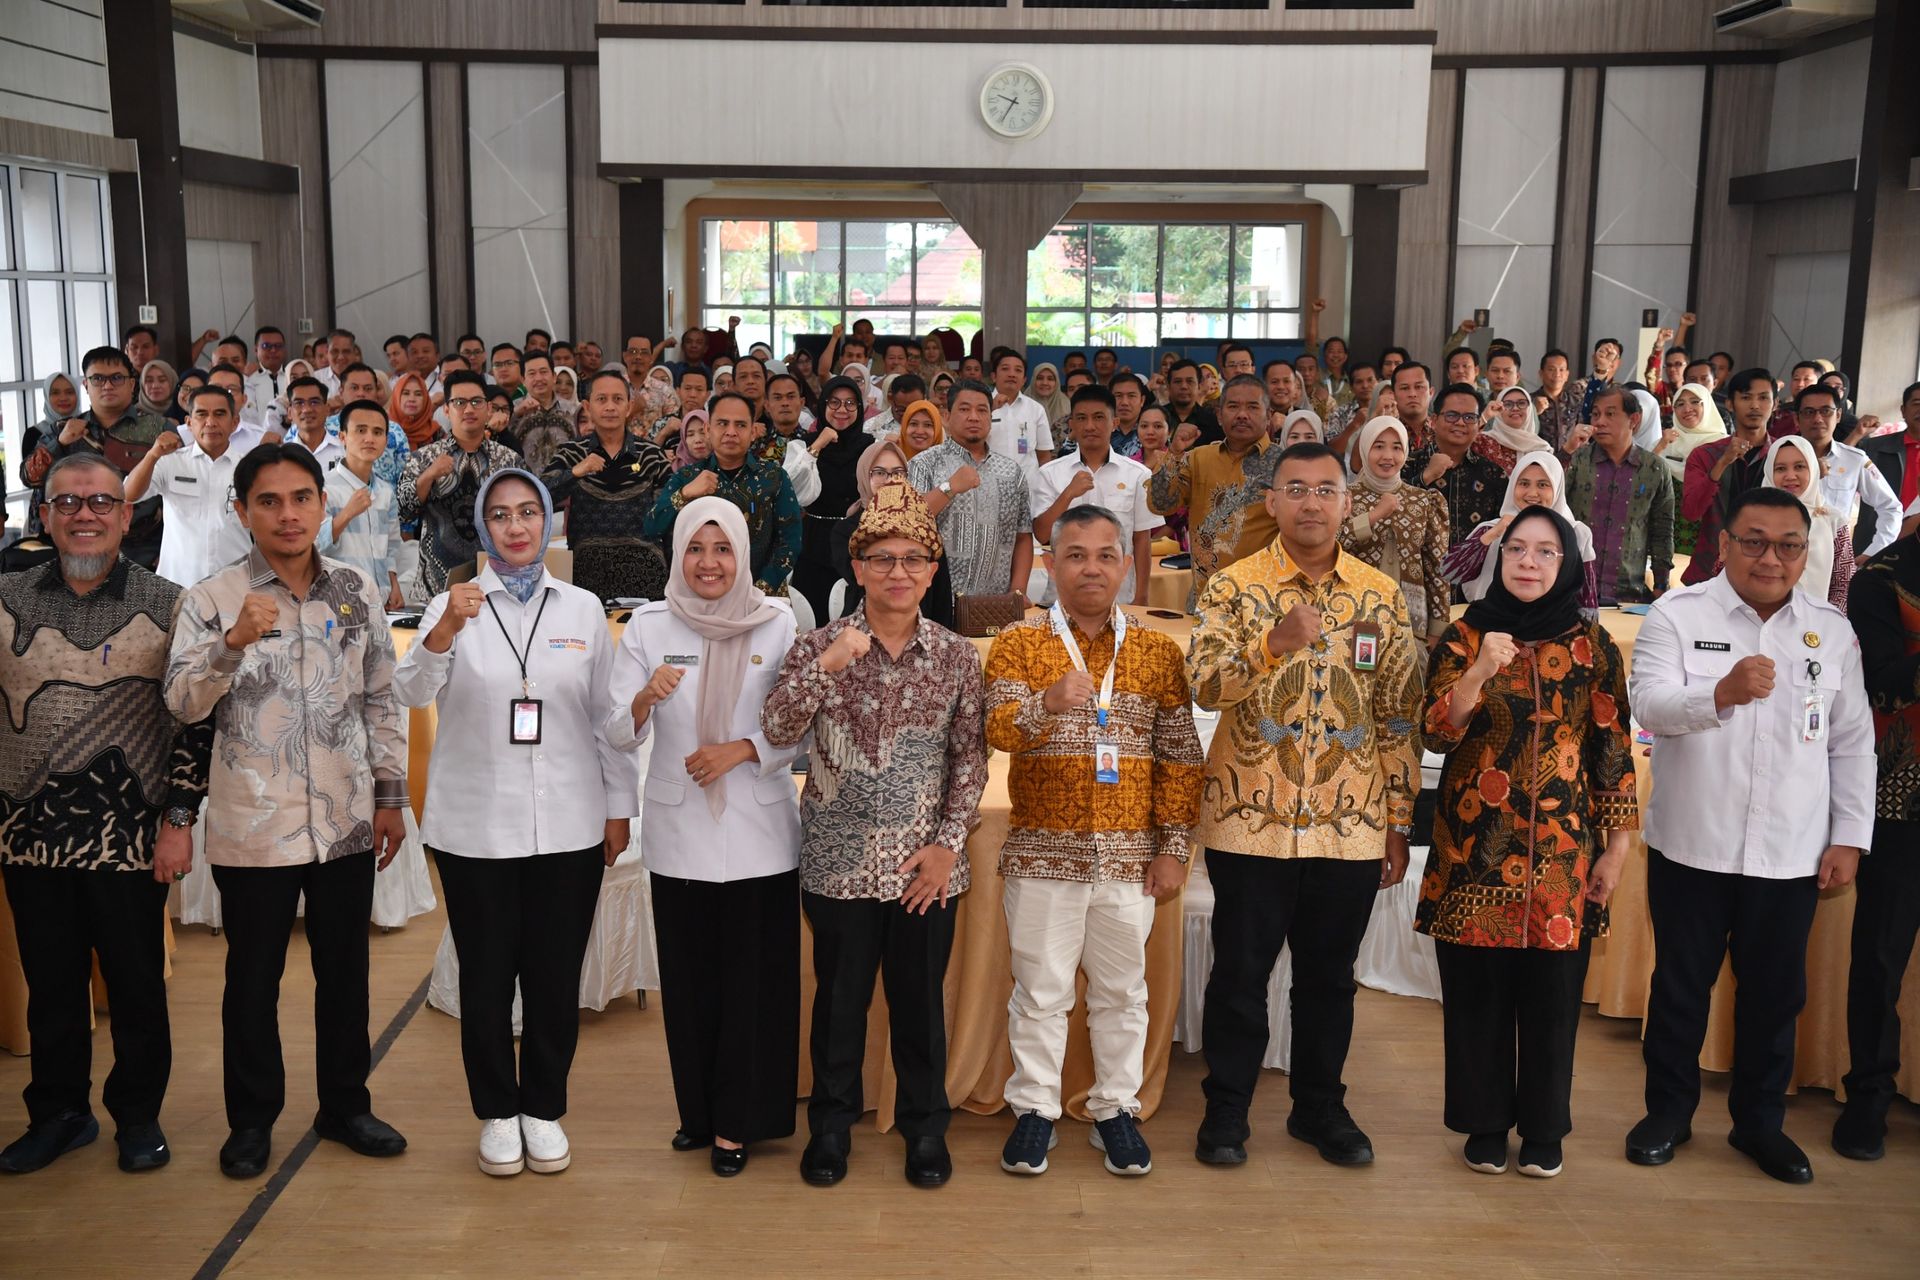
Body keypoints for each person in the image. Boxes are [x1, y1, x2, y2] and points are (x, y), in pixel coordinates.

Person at [164, 443, 411, 1180]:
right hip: (254, 824)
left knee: (346, 975)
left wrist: (390, 794)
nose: (288, 514)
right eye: (268, 501)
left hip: (344, 817)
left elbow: (380, 695)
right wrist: (232, 643)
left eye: (302, 497)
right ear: (242, 511)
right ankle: (251, 1122)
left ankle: (345, 1106)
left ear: (322, 504)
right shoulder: (210, 599)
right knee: (252, 982)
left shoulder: (353, 589)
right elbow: (181, 703)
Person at [1625, 487, 1872, 1185]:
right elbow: (1649, 705)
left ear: (1805, 552)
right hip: (1692, 845)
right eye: (1755, 542)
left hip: (1791, 851)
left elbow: (1853, 742)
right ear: (1726, 544)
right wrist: (1720, 694)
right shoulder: (1679, 614)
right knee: (1680, 990)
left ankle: (1759, 1125)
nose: (1771, 558)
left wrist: (1849, 836)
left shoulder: (1832, 631)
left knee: (1774, 997)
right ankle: (1667, 1114)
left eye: (1788, 545)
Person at [1186, 441, 1423, 1169]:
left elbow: (1398, 715)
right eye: (1296, 488)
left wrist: (1398, 821)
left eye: (1325, 489)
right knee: (1240, 975)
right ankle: (1227, 1109)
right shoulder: (1233, 587)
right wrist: (1273, 643)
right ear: (1272, 501)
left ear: (1347, 503)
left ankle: (1319, 1107)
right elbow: (1204, 685)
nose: (1311, 502)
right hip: (1248, 819)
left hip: (1350, 822)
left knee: (1328, 980)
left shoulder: (1380, 596)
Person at [395, 468, 635, 1178]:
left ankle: (544, 1108)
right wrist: (444, 629)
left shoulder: (582, 609)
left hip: (569, 822)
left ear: (548, 521)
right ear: (482, 526)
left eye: (529, 512)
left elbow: (607, 719)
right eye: (499, 515)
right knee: (488, 976)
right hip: (476, 826)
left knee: (556, 976)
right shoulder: (452, 605)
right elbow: (410, 690)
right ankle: (498, 1111)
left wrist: (618, 808)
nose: (516, 526)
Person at [760, 483, 988, 1189]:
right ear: (857, 568)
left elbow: (970, 760)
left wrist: (948, 845)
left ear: (931, 570)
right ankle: (830, 1127)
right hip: (840, 862)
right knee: (839, 1003)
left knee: (920, 1005)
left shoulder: (956, 656)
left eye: (913, 559)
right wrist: (828, 667)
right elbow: (777, 728)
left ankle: (925, 1129)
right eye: (882, 559)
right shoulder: (817, 646)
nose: (898, 572)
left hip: (927, 869)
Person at [0, 456, 213, 1175]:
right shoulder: (6, 598)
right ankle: (59, 1115)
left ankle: (137, 1116)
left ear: (126, 515)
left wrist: (179, 819)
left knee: (136, 987)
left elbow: (195, 722)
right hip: (28, 835)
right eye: (68, 503)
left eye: (100, 502)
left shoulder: (171, 603)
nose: (84, 514)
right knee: (51, 989)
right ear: (45, 516)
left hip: (131, 835)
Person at [985, 505, 1204, 1178]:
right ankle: (1034, 1109)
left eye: (1106, 555)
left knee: (1122, 992)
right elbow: (996, 727)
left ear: (1126, 566)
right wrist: (1045, 703)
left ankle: (1115, 1109)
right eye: (1075, 555)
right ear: (1051, 563)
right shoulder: (1020, 642)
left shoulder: (1158, 652)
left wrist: (1173, 849)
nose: (1091, 568)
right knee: (1040, 991)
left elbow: (1181, 757)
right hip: (1043, 854)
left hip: (1130, 858)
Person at [1419, 506, 1638, 1180]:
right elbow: (1435, 732)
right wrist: (1479, 671)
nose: (1529, 563)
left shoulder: (1592, 646)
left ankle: (1545, 1128)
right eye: (1516, 549)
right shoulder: (1464, 635)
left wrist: (1617, 847)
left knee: (1552, 999)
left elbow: (1612, 749)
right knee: (1477, 995)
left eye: (1546, 551)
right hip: (1474, 850)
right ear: (1499, 557)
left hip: (1562, 856)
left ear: (1567, 563)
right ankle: (1484, 1123)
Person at [609, 496, 801, 1177]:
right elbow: (614, 729)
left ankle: (737, 1125)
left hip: (760, 832)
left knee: (752, 985)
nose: (709, 563)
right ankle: (698, 1114)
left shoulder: (778, 621)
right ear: (678, 553)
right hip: (680, 829)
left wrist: (745, 750)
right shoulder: (648, 624)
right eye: (696, 548)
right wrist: (643, 698)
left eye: (723, 549)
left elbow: (801, 723)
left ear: (743, 554)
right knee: (690, 985)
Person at [1835, 516, 1920, 1160]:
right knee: (1881, 958)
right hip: (1900, 799)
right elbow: (1883, 685)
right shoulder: (1882, 579)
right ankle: (1869, 1094)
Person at [23, 347, 172, 568]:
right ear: (86, 385)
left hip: (146, 552)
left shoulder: (158, 429)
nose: (107, 385)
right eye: (98, 379)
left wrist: (169, 552)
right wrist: (60, 444)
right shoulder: (63, 430)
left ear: (132, 384)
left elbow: (180, 491)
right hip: (78, 549)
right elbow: (30, 478)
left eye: (117, 378)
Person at [647, 390, 802, 596]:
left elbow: (790, 542)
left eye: (740, 425)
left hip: (761, 597)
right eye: (722, 423)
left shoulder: (773, 476)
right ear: (708, 429)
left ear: (753, 432)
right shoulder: (687, 477)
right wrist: (684, 494)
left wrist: (758, 591)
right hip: (700, 593)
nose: (731, 432)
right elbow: (652, 527)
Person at [541, 369, 675, 602]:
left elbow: (671, 517)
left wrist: (673, 580)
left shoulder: (652, 455)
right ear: (587, 406)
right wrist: (575, 472)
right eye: (601, 399)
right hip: (586, 579)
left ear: (629, 407)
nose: (610, 407)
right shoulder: (571, 453)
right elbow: (539, 498)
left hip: (647, 575)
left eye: (618, 399)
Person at [1029, 385, 1159, 606]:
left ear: (1114, 423)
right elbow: (1041, 534)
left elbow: (1142, 540)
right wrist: (1068, 494)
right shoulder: (1050, 473)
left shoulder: (1138, 474)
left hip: (1119, 597)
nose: (1090, 426)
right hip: (1062, 597)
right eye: (1082, 418)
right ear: (1072, 424)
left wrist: (1142, 596)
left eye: (1099, 417)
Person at [908, 378, 1035, 605]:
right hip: (934, 603)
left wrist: (1017, 591)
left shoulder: (1012, 471)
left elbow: (1023, 536)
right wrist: (949, 487)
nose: (974, 417)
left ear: (990, 418)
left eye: (982, 410)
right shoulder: (924, 463)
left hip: (995, 606)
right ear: (946, 416)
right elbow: (909, 521)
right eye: (964, 409)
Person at [399, 370, 522, 598]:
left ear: (488, 408)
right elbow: (404, 512)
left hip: (498, 579)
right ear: (446, 409)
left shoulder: (509, 460)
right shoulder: (424, 457)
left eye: (476, 402)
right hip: (436, 582)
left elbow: (526, 513)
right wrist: (429, 475)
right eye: (459, 402)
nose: (468, 409)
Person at [122, 383, 254, 588]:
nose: (210, 422)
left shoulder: (250, 467)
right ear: (189, 423)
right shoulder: (169, 461)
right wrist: (152, 455)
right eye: (201, 414)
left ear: (235, 422)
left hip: (236, 584)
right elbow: (128, 495)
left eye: (219, 414)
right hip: (177, 584)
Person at [1149, 375, 1269, 599]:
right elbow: (1161, 504)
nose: (1242, 414)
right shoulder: (1198, 458)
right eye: (1233, 406)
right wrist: (1174, 453)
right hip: (1204, 598)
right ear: (1219, 416)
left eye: (1252, 407)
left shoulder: (1286, 465)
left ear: (1268, 415)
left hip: (1260, 599)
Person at [1339, 417, 1453, 646]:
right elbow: (1330, 543)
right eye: (1378, 446)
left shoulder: (1424, 500)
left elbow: (1437, 569)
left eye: (1396, 447)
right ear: (1364, 449)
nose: (1388, 456)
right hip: (1352, 615)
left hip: (1409, 622)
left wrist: (1437, 629)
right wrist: (1374, 515)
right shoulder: (1345, 497)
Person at [1446, 452, 1600, 613]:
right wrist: (1494, 534)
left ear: (1557, 488)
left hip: (1552, 625)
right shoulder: (1490, 529)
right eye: (1524, 483)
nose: (1532, 493)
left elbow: (1587, 601)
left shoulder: (1577, 534)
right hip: (1493, 622)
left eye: (1543, 485)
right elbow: (1452, 573)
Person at [1563, 387, 1675, 604]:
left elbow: (1663, 530)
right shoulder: (1577, 460)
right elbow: (1549, 501)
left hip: (1628, 593)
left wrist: (1661, 585)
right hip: (1573, 591)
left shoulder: (1654, 468)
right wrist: (1567, 450)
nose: (1600, 422)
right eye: (1596, 414)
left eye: (1610, 414)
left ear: (1634, 420)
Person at [834, 439, 956, 630]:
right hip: (863, 631)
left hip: (923, 632)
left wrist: (941, 639)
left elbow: (941, 593)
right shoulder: (847, 530)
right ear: (864, 475)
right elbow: (861, 584)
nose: (890, 480)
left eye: (898, 473)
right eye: (879, 472)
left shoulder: (923, 527)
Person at [788, 376, 874, 622]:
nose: (842, 410)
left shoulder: (871, 446)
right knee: (813, 614)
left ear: (859, 408)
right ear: (822, 405)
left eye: (850, 403)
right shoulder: (802, 445)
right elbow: (792, 489)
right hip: (813, 539)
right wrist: (818, 444)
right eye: (834, 402)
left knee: (856, 616)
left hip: (856, 538)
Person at [1681, 368, 1776, 585]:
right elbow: (1691, 512)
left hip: (1765, 572)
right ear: (1730, 404)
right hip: (1709, 572)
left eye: (1763, 398)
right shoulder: (1705, 455)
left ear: (1775, 404)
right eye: (1746, 397)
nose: (1755, 405)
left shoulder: (1782, 456)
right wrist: (1722, 463)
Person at [1792, 383, 1902, 562]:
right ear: (1797, 419)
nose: (1818, 418)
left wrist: (1874, 552)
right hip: (1787, 553)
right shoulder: (1781, 457)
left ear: (1838, 415)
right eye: (1809, 412)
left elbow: (1891, 507)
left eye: (1826, 411)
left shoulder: (1854, 459)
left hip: (1835, 559)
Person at [317, 399, 406, 610]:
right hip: (338, 601)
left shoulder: (385, 491)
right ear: (343, 437)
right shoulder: (323, 488)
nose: (369, 438)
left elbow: (392, 545)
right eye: (360, 430)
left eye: (377, 432)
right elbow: (312, 546)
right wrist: (347, 514)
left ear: (386, 440)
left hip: (380, 600)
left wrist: (393, 583)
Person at [1405, 383, 1510, 548]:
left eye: (1469, 417)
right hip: (1415, 562)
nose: (1460, 422)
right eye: (1452, 415)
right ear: (1433, 421)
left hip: (1475, 564)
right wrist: (1426, 477)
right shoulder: (1408, 464)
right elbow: (1392, 511)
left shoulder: (1493, 474)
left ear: (1478, 424)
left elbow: (1503, 533)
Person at [1759, 435, 1852, 611]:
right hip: (1755, 619)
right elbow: (1727, 570)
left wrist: (1829, 620)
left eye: (1799, 467)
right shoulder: (1751, 517)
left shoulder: (1833, 520)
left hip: (1815, 623)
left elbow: (1843, 584)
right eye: (1780, 469)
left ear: (1813, 470)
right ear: (1769, 472)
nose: (1790, 476)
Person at [1854, 382, 1920, 553]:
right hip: (1875, 544)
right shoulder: (1873, 447)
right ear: (1903, 410)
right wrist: (1856, 435)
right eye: (1916, 403)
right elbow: (1838, 469)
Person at [504, 350, 578, 475]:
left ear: (554, 376)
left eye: (543, 372)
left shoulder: (572, 410)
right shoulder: (512, 409)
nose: (538, 378)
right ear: (523, 380)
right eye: (532, 373)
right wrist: (515, 414)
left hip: (566, 482)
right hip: (525, 482)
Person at [756, 372, 823, 507]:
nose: (785, 403)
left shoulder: (815, 443)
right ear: (767, 405)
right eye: (777, 397)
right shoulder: (755, 445)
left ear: (802, 402)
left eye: (791, 396)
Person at [988, 348, 1053, 485]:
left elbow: (1044, 455)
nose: (1012, 374)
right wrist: (989, 410)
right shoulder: (982, 406)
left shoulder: (1036, 409)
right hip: (989, 484)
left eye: (1018, 370)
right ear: (993, 376)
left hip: (1028, 486)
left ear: (1024, 380)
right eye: (1005, 369)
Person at [1660, 382, 1728, 484]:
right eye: (1680, 404)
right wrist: (1660, 446)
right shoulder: (1664, 442)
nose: (1687, 409)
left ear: (1707, 405)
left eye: (1695, 402)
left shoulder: (1724, 445)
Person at [1480, 384, 1552, 473]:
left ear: (1530, 409)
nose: (1515, 408)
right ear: (1499, 409)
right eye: (1508, 404)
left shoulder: (1542, 449)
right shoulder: (1484, 442)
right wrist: (1484, 417)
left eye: (1521, 403)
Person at [1165, 360, 1221, 445]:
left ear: (1199, 386)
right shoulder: (1157, 417)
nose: (1184, 386)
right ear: (1168, 386)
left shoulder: (1211, 420)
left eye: (1190, 381)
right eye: (1178, 381)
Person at [1027, 362, 1071, 452]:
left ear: (1057, 382)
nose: (1045, 383)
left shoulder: (1067, 406)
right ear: (1033, 380)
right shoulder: (1022, 404)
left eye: (1050, 379)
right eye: (1039, 378)